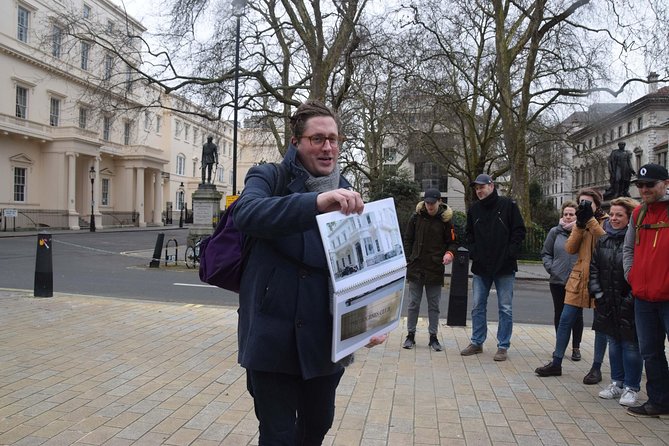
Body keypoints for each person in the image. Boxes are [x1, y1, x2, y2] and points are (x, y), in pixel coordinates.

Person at [233, 100, 387, 444]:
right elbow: (248, 214)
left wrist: (370, 323)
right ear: (296, 142)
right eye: (317, 138)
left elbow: (358, 266)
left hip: (323, 339)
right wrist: (316, 203)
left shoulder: (348, 188)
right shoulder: (268, 176)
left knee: (317, 426)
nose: (328, 146)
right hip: (272, 338)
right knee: (278, 434)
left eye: (333, 138)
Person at [535, 188, 608, 381]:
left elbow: (606, 243)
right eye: (581, 203)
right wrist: (580, 225)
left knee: (601, 325)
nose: (584, 207)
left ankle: (596, 367)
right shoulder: (580, 224)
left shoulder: (605, 221)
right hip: (578, 277)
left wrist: (590, 221)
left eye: (588, 203)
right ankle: (557, 362)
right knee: (566, 319)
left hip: (602, 279)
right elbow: (570, 248)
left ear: (597, 205)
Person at [460, 174, 526, 362]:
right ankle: (477, 341)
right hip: (481, 266)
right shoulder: (474, 210)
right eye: (476, 188)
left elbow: (519, 231)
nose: (479, 191)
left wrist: (510, 253)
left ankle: (503, 345)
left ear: (492, 186)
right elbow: (469, 235)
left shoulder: (508, 205)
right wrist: (474, 253)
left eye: (482, 187)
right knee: (477, 306)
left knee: (505, 308)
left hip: (504, 266)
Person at [623, 163, 669, 417]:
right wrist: (632, 276)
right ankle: (659, 401)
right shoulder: (638, 214)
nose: (644, 189)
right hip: (643, 297)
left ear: (666, 184)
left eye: (650, 184)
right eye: (640, 185)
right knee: (650, 352)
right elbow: (628, 249)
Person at [589, 196, 641, 407]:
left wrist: (629, 299)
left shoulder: (636, 241)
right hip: (607, 302)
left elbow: (638, 272)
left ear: (629, 218)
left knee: (630, 346)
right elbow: (594, 269)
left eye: (619, 215)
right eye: (612, 214)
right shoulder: (604, 240)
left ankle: (631, 386)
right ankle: (617, 382)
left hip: (629, 302)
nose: (614, 218)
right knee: (614, 344)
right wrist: (598, 294)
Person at [402, 188, 458, 352]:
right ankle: (410, 335)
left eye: (433, 203)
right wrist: (407, 258)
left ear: (439, 201)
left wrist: (449, 253)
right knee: (413, 303)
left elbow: (453, 242)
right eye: (427, 203)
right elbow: (408, 239)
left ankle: (433, 337)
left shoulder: (446, 220)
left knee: (434, 305)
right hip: (416, 266)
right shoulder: (415, 218)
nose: (430, 206)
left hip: (435, 267)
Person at [541, 200, 583, 361]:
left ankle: (576, 347)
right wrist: (551, 268)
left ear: (576, 216)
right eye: (565, 214)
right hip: (557, 280)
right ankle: (560, 346)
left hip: (576, 281)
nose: (567, 217)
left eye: (571, 214)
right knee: (560, 314)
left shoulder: (582, 231)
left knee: (576, 316)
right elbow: (546, 253)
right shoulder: (554, 232)